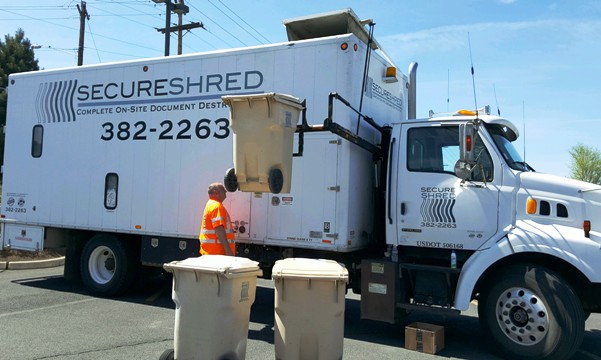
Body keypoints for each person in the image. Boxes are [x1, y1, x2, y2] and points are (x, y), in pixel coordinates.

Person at [199, 182, 236, 256]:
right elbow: (219, 229)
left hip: (211, 252)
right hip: (218, 254)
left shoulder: (210, 204)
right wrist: (228, 250)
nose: (226, 192)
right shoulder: (216, 206)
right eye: (223, 190)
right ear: (216, 192)